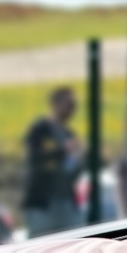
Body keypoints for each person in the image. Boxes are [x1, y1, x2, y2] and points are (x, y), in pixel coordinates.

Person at [22, 87, 82, 237]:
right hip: (42, 204)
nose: (71, 110)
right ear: (55, 104)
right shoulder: (40, 129)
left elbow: (71, 167)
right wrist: (61, 151)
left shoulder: (68, 134)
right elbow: (35, 157)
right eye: (69, 105)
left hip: (65, 202)